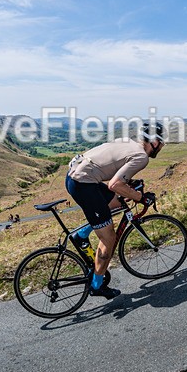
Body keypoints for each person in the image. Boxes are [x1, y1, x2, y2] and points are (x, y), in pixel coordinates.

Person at [65, 121, 165, 300]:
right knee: (109, 238)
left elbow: (114, 172)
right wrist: (141, 198)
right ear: (155, 143)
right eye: (161, 144)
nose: (160, 148)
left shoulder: (128, 141)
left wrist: (131, 187)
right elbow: (115, 184)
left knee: (116, 203)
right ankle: (97, 285)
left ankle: (82, 235)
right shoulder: (142, 157)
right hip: (84, 184)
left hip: (75, 175)